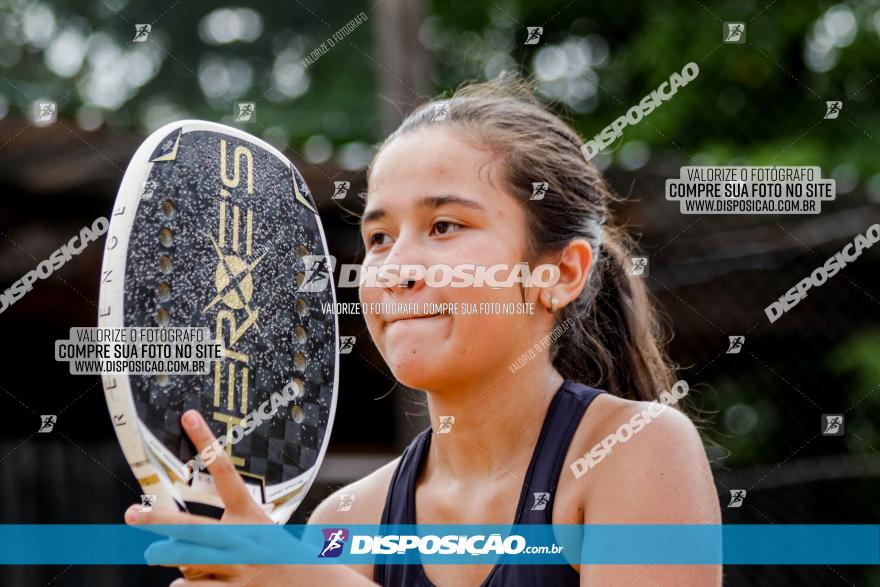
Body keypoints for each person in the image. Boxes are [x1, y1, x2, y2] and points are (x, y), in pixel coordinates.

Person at [125, 74, 721, 586]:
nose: (395, 269)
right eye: (379, 238)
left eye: (444, 225)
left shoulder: (636, 450)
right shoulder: (347, 521)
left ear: (558, 273)